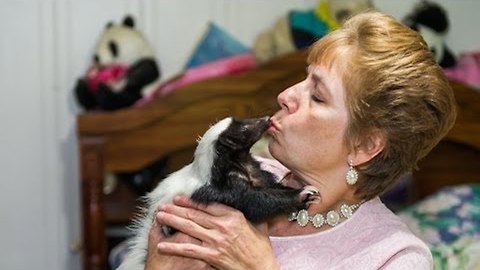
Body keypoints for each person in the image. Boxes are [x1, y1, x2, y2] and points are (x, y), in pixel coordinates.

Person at [144, 11, 457, 270]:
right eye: (304, 78)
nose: (285, 96)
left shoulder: (395, 257)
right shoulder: (231, 179)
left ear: (364, 146)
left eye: (317, 96)